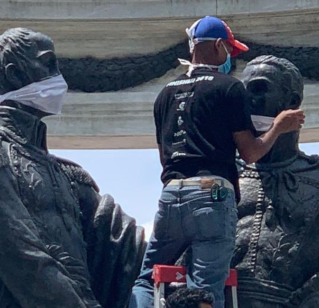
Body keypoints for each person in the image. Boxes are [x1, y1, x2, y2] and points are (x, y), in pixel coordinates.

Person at [0, 28, 146, 308]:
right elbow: (20, 257)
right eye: (49, 64)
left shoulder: (68, 175)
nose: (59, 76)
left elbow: (124, 242)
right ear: (15, 74)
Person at [129, 16, 305, 308]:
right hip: (212, 194)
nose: (231, 59)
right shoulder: (229, 87)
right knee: (205, 288)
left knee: (147, 279)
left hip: (172, 193)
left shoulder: (165, 94)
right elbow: (250, 153)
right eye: (230, 52)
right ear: (220, 45)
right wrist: (279, 126)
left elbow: (165, 153)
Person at [233, 55, 319, 308]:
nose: (247, 101)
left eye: (259, 89)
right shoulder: (218, 175)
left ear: (292, 102)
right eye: (242, 93)